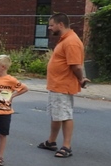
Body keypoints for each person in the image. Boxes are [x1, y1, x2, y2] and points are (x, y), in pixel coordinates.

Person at [38, 13, 90, 158]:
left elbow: (76, 66)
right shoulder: (65, 39)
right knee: (56, 114)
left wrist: (81, 79)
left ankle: (66, 146)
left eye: (51, 25)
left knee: (65, 115)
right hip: (56, 84)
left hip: (63, 85)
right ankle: (51, 141)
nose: (49, 28)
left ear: (60, 24)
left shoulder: (71, 42)